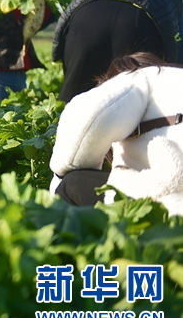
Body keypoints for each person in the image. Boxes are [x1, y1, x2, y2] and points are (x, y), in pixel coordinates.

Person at [49, 53, 183, 216]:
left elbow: (90, 119)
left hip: (171, 208)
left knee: (71, 185)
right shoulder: (175, 79)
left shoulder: (138, 78)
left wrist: (59, 175)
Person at [52, 0, 183, 102]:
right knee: (137, 102)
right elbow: (175, 71)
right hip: (140, 20)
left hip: (86, 13)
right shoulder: (178, 6)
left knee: (73, 100)